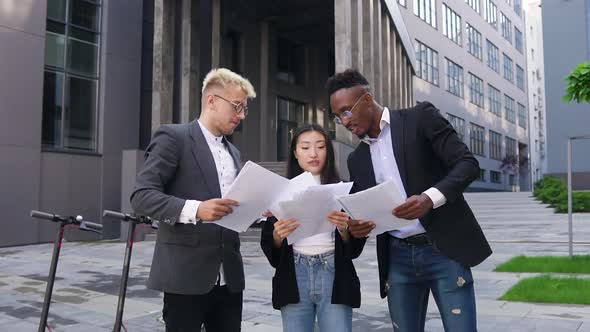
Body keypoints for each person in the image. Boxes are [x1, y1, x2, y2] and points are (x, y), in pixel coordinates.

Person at [326, 69, 492, 332]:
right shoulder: (356, 159)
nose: (344, 121)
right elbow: (365, 214)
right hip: (397, 258)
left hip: (443, 250)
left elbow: (467, 164)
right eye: (337, 117)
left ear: (367, 99)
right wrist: (355, 228)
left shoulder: (420, 118)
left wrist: (429, 198)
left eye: (346, 111)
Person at [130, 68, 256, 332]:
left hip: (229, 279)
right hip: (185, 278)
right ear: (211, 101)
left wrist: (256, 209)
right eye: (236, 106)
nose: (242, 115)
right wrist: (197, 209)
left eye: (245, 109)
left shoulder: (233, 151)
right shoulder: (173, 138)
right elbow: (141, 196)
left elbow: (229, 209)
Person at [260, 124, 364, 332]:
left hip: (334, 272)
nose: (313, 154)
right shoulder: (280, 191)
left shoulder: (343, 189)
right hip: (295, 274)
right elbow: (272, 252)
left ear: (328, 151)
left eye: (320, 146)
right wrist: (278, 236)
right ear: (295, 153)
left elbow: (354, 250)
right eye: (305, 147)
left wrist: (344, 229)